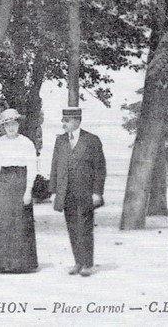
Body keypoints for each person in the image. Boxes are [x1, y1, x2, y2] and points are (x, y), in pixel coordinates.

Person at [49, 107, 106, 277]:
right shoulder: (60, 141)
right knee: (72, 228)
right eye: (63, 121)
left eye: (66, 121)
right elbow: (54, 167)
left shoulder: (92, 140)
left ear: (77, 121)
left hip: (85, 192)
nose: (63, 124)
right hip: (66, 192)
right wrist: (53, 191)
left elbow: (100, 169)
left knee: (85, 228)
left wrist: (97, 192)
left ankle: (87, 264)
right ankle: (78, 262)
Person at [0, 108, 39, 274]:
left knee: (20, 223)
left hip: (20, 181)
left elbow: (32, 167)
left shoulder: (26, 143)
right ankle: (1, 263)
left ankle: (21, 264)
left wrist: (28, 190)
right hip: (3, 182)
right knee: (2, 223)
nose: (10, 128)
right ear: (3, 126)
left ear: (18, 125)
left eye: (13, 124)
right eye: (7, 125)